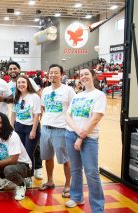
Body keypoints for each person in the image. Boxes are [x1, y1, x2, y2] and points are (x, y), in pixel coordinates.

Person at [65, 68, 106, 212]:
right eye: (81, 75)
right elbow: (68, 116)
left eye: (86, 74)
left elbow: (96, 118)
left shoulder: (99, 95)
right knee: (75, 169)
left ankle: (97, 207)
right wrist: (77, 131)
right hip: (71, 135)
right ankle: (77, 197)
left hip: (89, 139)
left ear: (93, 76)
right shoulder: (77, 95)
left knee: (91, 172)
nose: (83, 77)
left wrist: (81, 137)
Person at [39, 64, 75, 199]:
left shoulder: (69, 90)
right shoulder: (46, 91)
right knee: (48, 158)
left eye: (55, 73)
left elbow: (74, 110)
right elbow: (43, 108)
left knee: (66, 160)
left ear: (61, 74)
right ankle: (50, 180)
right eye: (51, 73)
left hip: (62, 129)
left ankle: (68, 185)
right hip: (46, 128)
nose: (52, 75)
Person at [0, 112, 32, 201]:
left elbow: (13, 160)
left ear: (5, 124)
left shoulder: (12, 136)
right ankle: (4, 178)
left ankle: (22, 184)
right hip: (8, 162)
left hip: (23, 165)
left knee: (9, 170)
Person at [11, 75, 42, 180]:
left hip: (31, 128)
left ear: (28, 83)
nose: (21, 84)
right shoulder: (16, 96)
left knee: (29, 153)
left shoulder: (34, 97)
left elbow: (37, 115)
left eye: (23, 82)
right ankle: (23, 173)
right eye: (19, 83)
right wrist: (12, 128)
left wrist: (33, 131)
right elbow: (13, 114)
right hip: (19, 127)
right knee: (21, 153)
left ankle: (29, 176)